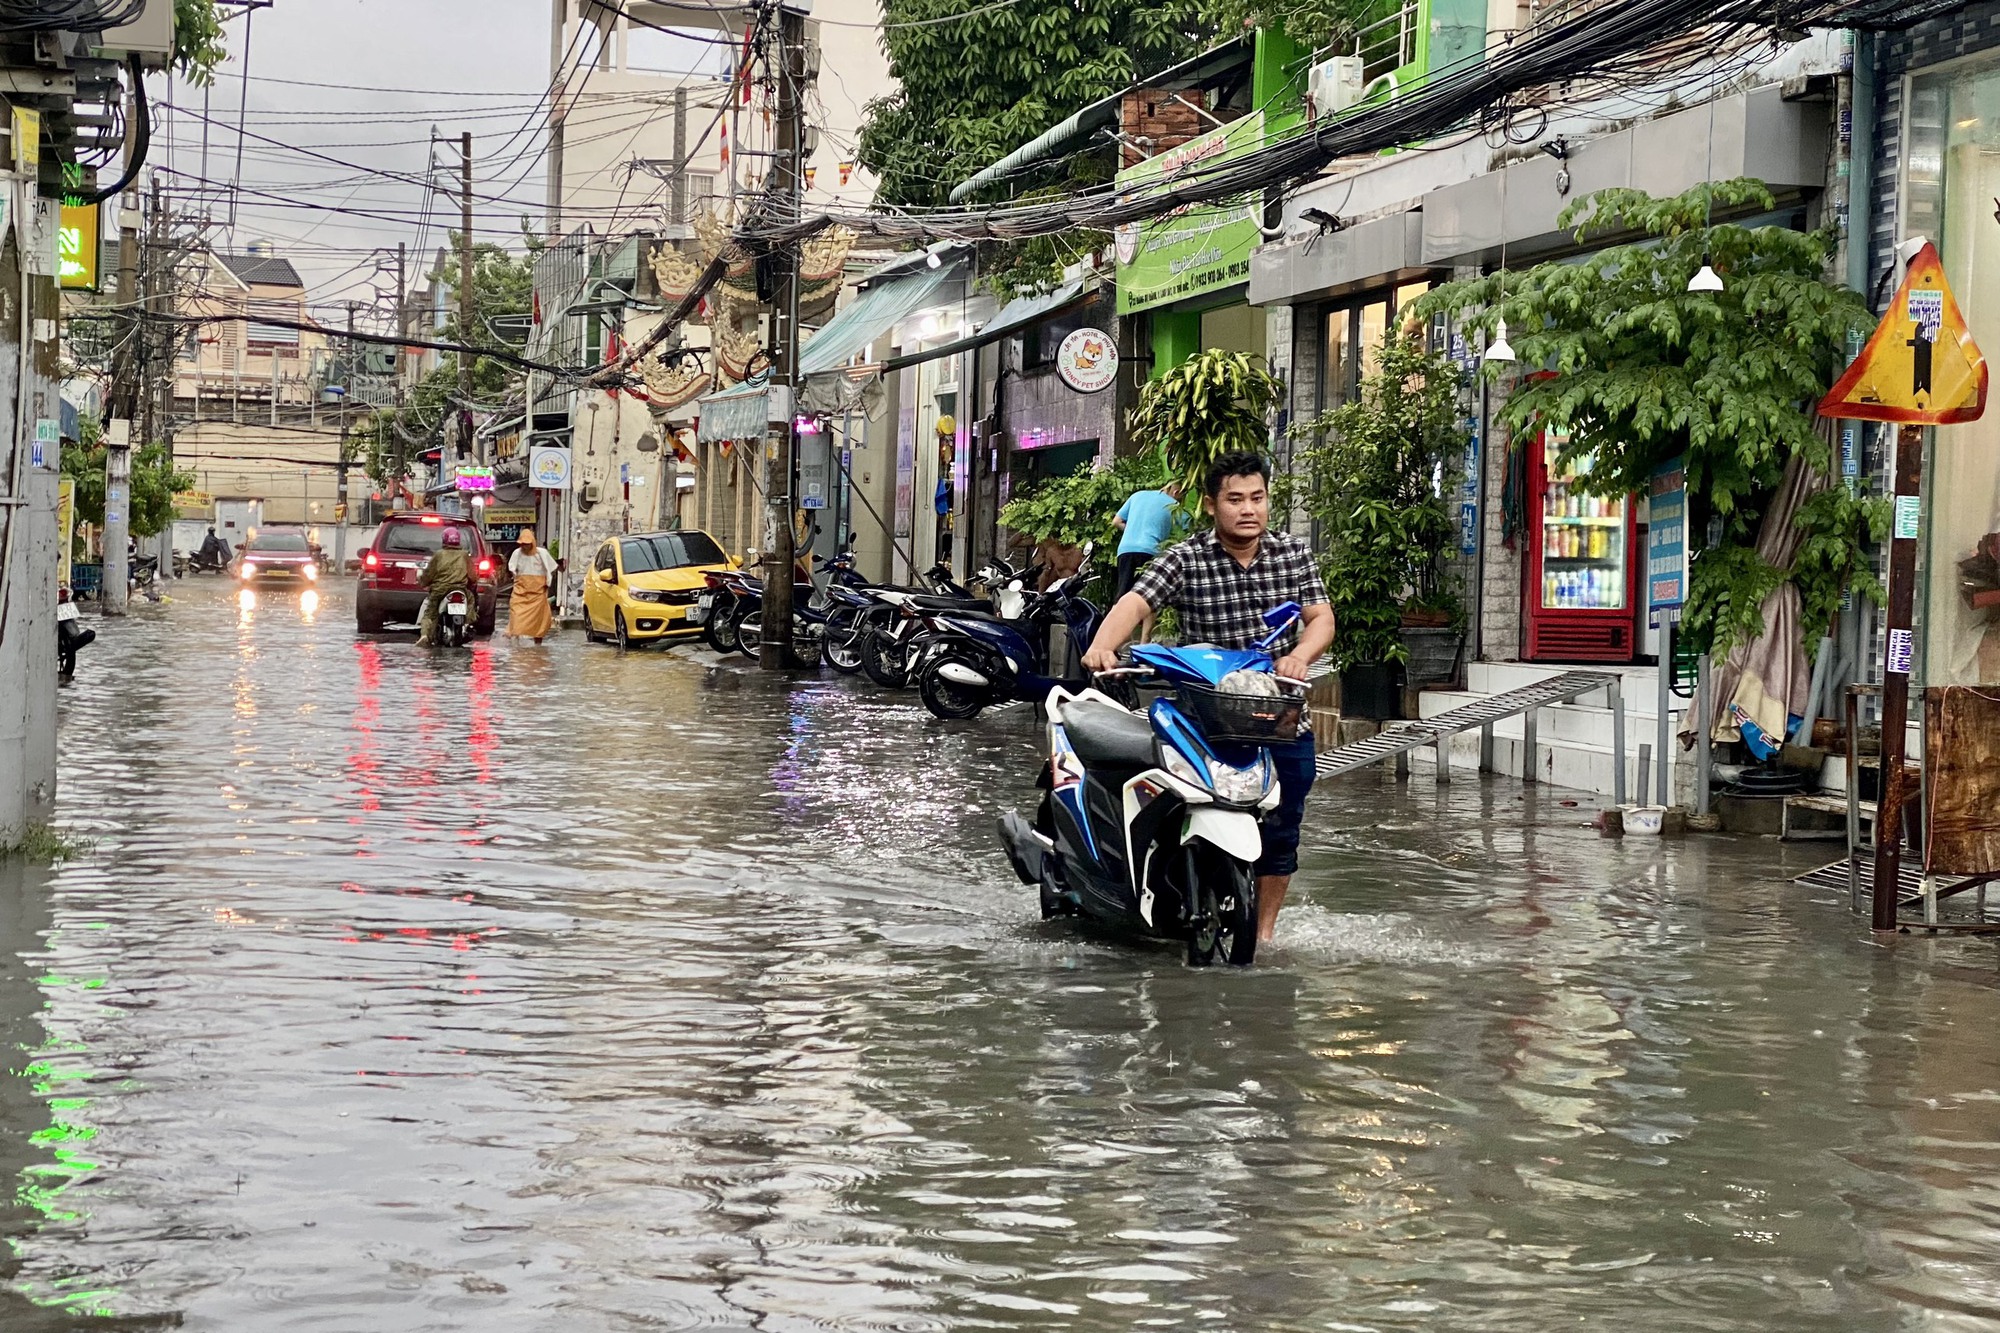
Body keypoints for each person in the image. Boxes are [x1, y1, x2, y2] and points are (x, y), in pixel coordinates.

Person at [1082, 451, 1335, 944]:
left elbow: (1321, 618)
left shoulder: (1294, 555)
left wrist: (1300, 656)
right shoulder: (1184, 558)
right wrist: (1102, 645)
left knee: (1282, 832)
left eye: (1257, 498)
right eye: (1235, 499)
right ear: (1210, 505)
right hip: (1203, 720)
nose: (1248, 509)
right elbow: (1136, 601)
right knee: (1168, 802)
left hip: (1278, 716)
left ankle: (1262, 935)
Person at [1112, 479, 1185, 598]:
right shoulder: (1173, 505)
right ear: (1176, 493)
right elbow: (1190, 526)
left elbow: (1116, 521)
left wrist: (1132, 531)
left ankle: (1115, 616)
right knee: (1147, 598)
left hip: (1125, 550)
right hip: (1150, 552)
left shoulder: (1137, 495)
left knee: (1123, 595)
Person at [417, 526, 473, 646]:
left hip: (439, 590)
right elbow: (473, 576)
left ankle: (425, 635)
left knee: (430, 613)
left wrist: (423, 582)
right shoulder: (464, 555)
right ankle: (467, 624)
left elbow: (428, 574)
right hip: (460, 589)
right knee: (471, 602)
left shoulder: (438, 555)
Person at [507, 528, 559, 644]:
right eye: (523, 544)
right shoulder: (517, 553)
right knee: (516, 614)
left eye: (527, 544)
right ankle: (515, 641)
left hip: (538, 593)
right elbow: (512, 569)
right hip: (521, 591)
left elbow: (552, 568)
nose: (525, 547)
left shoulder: (542, 553)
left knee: (539, 619)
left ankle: (538, 644)